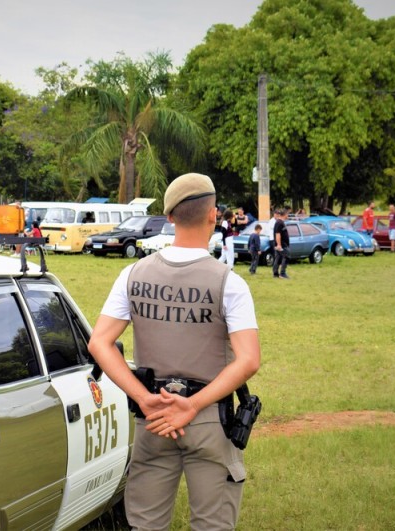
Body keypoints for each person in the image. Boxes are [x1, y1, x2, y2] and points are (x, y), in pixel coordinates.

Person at [88, 172, 260, 530]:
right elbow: (248, 360)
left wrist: (145, 399)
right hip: (209, 418)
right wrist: (193, 406)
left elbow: (99, 343)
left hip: (153, 417)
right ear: (213, 214)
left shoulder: (132, 274)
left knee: (146, 524)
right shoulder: (229, 283)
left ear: (169, 217)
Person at [272, 208, 290, 279]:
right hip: (282, 244)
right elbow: (277, 234)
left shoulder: (280, 222)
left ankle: (275, 273)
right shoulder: (279, 223)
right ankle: (282, 273)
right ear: (285, 214)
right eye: (287, 214)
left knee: (278, 258)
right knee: (286, 256)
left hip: (281, 244)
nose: (288, 215)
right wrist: (279, 245)